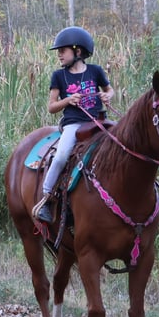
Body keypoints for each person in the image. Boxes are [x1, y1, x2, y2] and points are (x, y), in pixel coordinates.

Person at [33, 27, 114, 224]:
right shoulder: (59, 76)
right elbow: (51, 107)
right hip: (74, 125)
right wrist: (68, 100)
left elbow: (110, 90)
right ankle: (46, 199)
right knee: (61, 156)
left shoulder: (95, 71)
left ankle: (152, 193)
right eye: (59, 51)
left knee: (127, 143)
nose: (59, 54)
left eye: (63, 50)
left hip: (98, 121)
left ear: (78, 51)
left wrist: (106, 95)